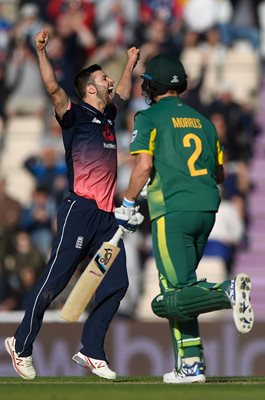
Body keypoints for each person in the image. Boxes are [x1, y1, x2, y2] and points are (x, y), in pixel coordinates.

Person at [5, 30, 143, 381]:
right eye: (103, 78)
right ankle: (20, 345)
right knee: (55, 280)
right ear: (90, 88)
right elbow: (53, 89)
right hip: (79, 210)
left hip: (107, 217)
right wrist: (41, 52)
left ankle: (91, 350)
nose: (109, 80)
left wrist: (128, 63)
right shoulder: (75, 114)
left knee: (117, 283)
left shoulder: (109, 115)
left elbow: (124, 92)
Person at [119, 54, 254, 383]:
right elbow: (220, 173)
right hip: (207, 209)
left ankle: (227, 292)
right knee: (182, 288)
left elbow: (144, 167)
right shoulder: (205, 122)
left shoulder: (148, 117)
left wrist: (127, 202)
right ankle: (190, 364)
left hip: (172, 210)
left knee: (166, 299)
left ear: (153, 85)